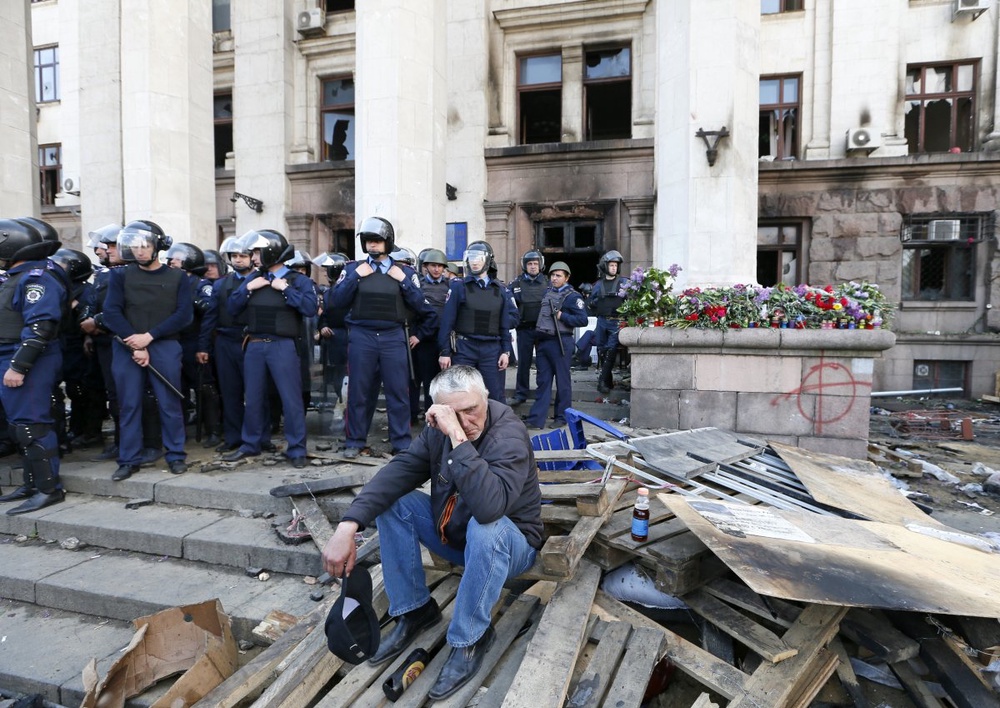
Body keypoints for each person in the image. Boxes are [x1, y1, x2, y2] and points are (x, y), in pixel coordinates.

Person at [321, 366, 541, 700]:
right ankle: (415, 610)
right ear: (437, 409)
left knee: (487, 528)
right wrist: (347, 525)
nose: (466, 420)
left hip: (512, 548)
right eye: (454, 414)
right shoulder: (437, 430)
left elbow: (490, 508)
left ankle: (471, 638)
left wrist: (457, 436)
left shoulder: (507, 434)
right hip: (459, 538)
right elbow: (398, 472)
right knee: (396, 503)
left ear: (486, 398)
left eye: (471, 410)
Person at [327, 217, 437, 458]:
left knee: (398, 392)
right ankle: (355, 441)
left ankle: (401, 443)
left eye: (377, 241)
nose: (372, 246)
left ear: (387, 243)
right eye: (368, 242)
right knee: (359, 391)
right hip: (361, 336)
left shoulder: (405, 271)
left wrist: (404, 281)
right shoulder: (352, 269)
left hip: (393, 336)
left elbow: (422, 306)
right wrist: (356, 276)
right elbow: (334, 302)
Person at [102, 220, 192, 480]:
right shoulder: (119, 275)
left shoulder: (177, 277)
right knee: (128, 404)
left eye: (145, 245)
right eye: (134, 246)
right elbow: (111, 312)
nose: (139, 251)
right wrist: (133, 340)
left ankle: (175, 455)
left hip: (163, 345)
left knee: (169, 402)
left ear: (157, 247)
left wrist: (149, 337)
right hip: (126, 346)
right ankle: (128, 460)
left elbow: (183, 315)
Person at [222, 230, 317, 468]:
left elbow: (309, 308)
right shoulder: (252, 279)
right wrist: (247, 288)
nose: (252, 257)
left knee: (291, 400)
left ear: (271, 251)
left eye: (256, 252)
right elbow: (231, 308)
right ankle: (251, 444)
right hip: (254, 345)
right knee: (252, 398)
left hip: (282, 346)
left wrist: (285, 289)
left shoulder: (298, 280)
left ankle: (296, 450)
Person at [0, 219, 67, 514]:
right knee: (19, 426)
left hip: (25, 357)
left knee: (32, 426)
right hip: (9, 354)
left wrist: (19, 366)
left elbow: (41, 327)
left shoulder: (36, 278)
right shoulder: (17, 276)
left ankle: (48, 488)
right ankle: (32, 483)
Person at [437, 241, 518, 403]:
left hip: (492, 350)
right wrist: (444, 352)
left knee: (494, 395)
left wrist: (506, 351)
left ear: (487, 261)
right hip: (465, 349)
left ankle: (495, 428)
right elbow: (447, 322)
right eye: (471, 258)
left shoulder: (499, 290)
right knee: (460, 393)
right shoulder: (459, 288)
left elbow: (503, 324)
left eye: (478, 258)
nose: (474, 262)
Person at [200, 234, 254, 453]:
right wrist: (203, 346)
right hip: (225, 342)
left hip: (251, 341)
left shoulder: (262, 280)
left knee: (255, 392)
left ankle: (258, 436)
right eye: (235, 256)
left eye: (243, 256)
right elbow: (210, 316)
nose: (239, 260)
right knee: (230, 392)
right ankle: (233, 437)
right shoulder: (221, 285)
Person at [523, 261, 588, 429]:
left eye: (558, 275)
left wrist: (562, 316)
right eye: (552, 275)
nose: (554, 278)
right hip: (544, 341)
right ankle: (537, 419)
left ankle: (562, 417)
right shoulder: (547, 292)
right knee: (543, 381)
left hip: (561, 342)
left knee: (562, 382)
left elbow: (583, 319)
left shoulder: (573, 297)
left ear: (567, 277)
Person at [412, 248, 449, 416]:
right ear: (426, 266)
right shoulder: (418, 286)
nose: (437, 269)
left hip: (441, 340)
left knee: (437, 384)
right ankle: (418, 415)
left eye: (440, 266)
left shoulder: (449, 286)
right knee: (420, 381)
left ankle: (435, 417)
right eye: (433, 266)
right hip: (422, 340)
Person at [508, 250, 548, 406]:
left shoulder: (547, 283)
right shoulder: (516, 284)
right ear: (525, 266)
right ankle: (521, 393)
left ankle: (542, 393)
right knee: (523, 363)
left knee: (543, 364)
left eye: (535, 264)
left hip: (543, 330)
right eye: (530, 264)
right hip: (524, 329)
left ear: (540, 265)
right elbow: (510, 307)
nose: (533, 267)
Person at [587, 250, 627, 394]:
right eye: (611, 265)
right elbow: (591, 303)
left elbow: (630, 300)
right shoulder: (598, 284)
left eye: (616, 265)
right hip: (602, 320)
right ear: (605, 266)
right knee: (601, 350)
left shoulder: (624, 282)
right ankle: (607, 380)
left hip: (617, 321)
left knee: (611, 350)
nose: (614, 268)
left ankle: (602, 381)